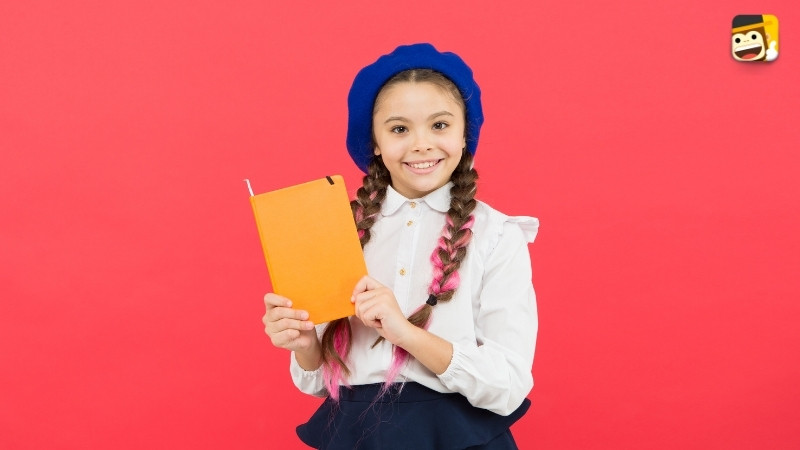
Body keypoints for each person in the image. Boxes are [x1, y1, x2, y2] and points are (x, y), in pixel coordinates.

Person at [262, 43, 539, 450]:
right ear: (374, 141)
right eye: (399, 129)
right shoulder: (338, 230)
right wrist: (304, 344)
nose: (421, 144)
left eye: (440, 125)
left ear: (466, 133)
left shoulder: (497, 235)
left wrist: (405, 334)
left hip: (460, 437)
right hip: (356, 435)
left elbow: (508, 384)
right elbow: (320, 384)